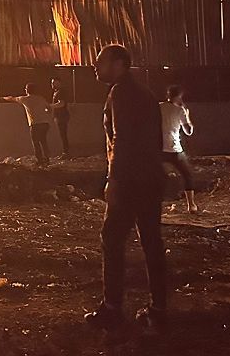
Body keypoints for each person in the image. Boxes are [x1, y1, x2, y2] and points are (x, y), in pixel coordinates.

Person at [85, 44, 167, 331]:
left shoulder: (120, 93)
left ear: (119, 64)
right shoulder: (145, 94)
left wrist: (114, 180)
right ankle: (159, 308)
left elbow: (121, 139)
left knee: (111, 238)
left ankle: (112, 309)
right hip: (150, 179)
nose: (95, 67)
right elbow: (154, 140)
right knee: (152, 242)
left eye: (101, 62)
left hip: (130, 181)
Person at [160, 85, 197, 213]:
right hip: (174, 149)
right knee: (188, 175)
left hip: (159, 149)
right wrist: (187, 114)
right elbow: (189, 131)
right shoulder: (180, 110)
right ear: (179, 96)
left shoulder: (158, 107)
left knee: (153, 176)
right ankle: (191, 205)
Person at [3, 84, 52, 166]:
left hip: (35, 124)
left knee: (36, 143)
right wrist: (45, 113)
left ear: (27, 90)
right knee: (43, 141)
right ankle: (47, 159)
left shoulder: (24, 99)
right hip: (45, 123)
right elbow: (49, 108)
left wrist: (3, 98)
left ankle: (40, 160)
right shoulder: (41, 98)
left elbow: (12, 98)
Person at [50, 76, 72, 157]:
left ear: (58, 83)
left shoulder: (60, 92)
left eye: (53, 83)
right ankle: (65, 152)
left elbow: (61, 104)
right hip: (60, 116)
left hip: (62, 116)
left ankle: (66, 152)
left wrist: (50, 106)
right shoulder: (57, 92)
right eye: (52, 83)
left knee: (63, 134)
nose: (52, 84)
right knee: (62, 134)